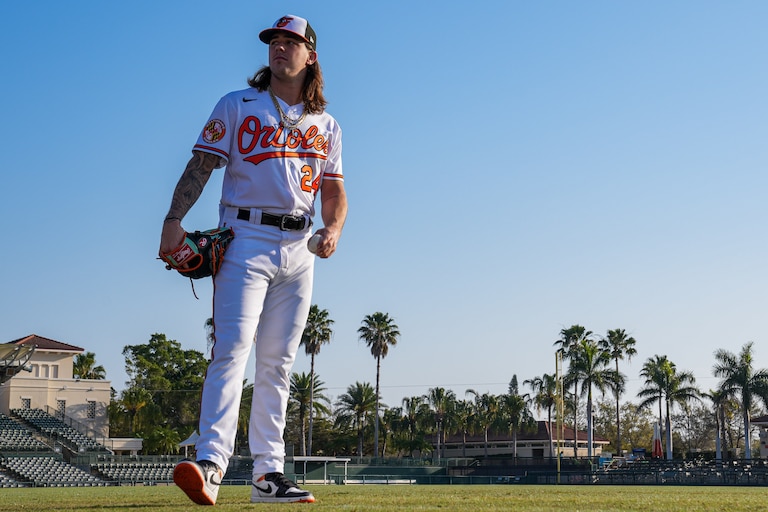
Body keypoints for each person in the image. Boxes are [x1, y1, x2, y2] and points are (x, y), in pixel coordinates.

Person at [159, 14, 347, 506]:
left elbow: (334, 189)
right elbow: (201, 165)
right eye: (274, 41)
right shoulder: (238, 105)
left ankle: (268, 475)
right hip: (243, 237)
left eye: (291, 41)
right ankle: (211, 463)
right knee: (233, 349)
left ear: (311, 55)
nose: (280, 48)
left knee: (278, 363)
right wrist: (173, 218)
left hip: (299, 248)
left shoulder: (326, 125)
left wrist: (334, 227)